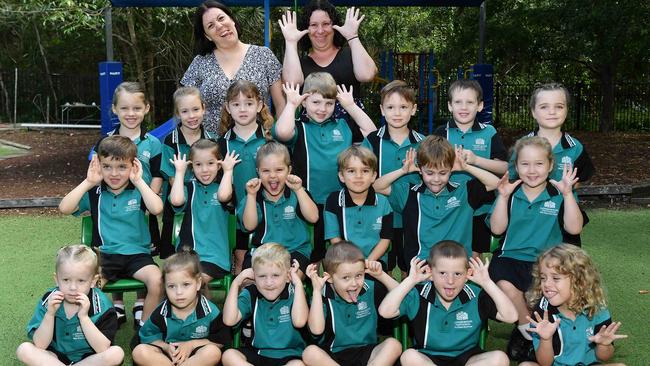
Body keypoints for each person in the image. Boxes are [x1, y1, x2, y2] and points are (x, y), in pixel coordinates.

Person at [487, 136, 586, 362]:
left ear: (550, 166)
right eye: (525, 164)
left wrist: (569, 194)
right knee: (504, 283)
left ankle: (534, 339)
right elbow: (496, 228)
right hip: (509, 257)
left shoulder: (559, 193)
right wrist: (501, 198)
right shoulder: (510, 192)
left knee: (543, 293)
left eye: (539, 164)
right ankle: (527, 331)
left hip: (546, 261)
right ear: (516, 166)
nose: (532, 170)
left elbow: (575, 227)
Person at [59, 135, 164, 328]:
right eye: (107, 166)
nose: (114, 173)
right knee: (84, 284)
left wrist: (139, 181)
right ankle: (85, 327)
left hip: (137, 256)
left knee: (157, 280)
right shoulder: (95, 191)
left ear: (133, 166)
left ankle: (146, 327)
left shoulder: (139, 190)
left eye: (122, 167)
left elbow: (157, 209)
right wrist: (88, 182)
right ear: (99, 165)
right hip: (104, 256)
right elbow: (64, 208)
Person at [274, 72, 376, 263]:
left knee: (339, 252)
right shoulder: (299, 127)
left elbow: (371, 134)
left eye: (329, 103)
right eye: (316, 102)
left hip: (340, 200)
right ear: (304, 102)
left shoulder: (343, 125)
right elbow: (282, 132)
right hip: (307, 199)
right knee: (313, 252)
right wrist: (291, 105)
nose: (323, 109)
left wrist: (350, 106)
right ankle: (313, 286)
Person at [378, 240, 517, 366]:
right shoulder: (419, 295)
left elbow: (511, 316)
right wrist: (410, 280)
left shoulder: (475, 295)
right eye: (443, 273)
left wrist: (487, 283)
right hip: (428, 357)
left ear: (468, 274)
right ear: (430, 273)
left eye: (457, 274)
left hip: (467, 358)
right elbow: (385, 311)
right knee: (409, 356)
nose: (450, 281)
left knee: (500, 358)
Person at [94, 81, 163, 328]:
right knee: (114, 247)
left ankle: (141, 303)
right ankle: (117, 303)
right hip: (114, 208)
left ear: (146, 109)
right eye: (124, 108)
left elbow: (157, 173)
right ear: (114, 109)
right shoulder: (104, 142)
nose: (130, 114)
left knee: (141, 253)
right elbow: (94, 174)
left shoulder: (153, 143)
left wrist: (149, 198)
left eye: (136, 108)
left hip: (141, 207)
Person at [373, 135, 499, 266]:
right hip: (422, 271)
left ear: (451, 170)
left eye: (443, 173)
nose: (436, 179)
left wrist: (466, 167)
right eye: (430, 173)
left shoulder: (464, 191)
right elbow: (376, 187)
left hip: (457, 270)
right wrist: (403, 171)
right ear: (420, 169)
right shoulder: (409, 194)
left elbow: (496, 183)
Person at [181, 0, 284, 134]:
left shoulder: (263, 55)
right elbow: (184, 105)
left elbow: (281, 104)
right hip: (212, 149)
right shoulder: (200, 63)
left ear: (232, 20)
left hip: (259, 146)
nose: (219, 26)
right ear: (207, 36)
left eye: (221, 18)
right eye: (211, 25)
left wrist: (280, 140)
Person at [434, 79, 507, 258]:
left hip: (481, 206)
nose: (464, 107)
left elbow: (504, 167)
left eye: (470, 102)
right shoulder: (441, 133)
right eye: (458, 102)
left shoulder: (489, 132)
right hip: (447, 203)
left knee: (474, 255)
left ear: (480, 106)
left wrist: (476, 160)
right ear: (450, 106)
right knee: (446, 253)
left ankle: (475, 286)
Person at [16, 245, 124, 366]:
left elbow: (102, 348)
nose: (73, 287)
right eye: (66, 280)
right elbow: (40, 345)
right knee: (24, 349)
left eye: (81, 281)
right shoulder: (49, 301)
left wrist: (84, 317)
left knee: (116, 353)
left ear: (93, 281)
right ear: (56, 279)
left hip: (90, 358)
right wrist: (50, 314)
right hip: (54, 357)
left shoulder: (102, 306)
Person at [519, 244, 627, 366]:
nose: (546, 284)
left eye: (555, 278)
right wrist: (546, 339)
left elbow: (604, 358)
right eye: (543, 278)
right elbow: (545, 363)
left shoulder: (596, 308)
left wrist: (603, 344)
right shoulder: (542, 312)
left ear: (579, 281)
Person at [302, 242, 402, 366]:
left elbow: (405, 300)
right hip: (333, 357)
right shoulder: (321, 296)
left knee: (393, 345)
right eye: (346, 278)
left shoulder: (370, 289)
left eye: (359, 275)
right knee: (309, 353)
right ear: (330, 278)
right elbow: (316, 330)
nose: (354, 283)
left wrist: (382, 276)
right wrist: (316, 291)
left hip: (368, 353)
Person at [362, 80, 425, 273]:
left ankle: (409, 303)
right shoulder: (372, 141)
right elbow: (364, 179)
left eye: (403, 107)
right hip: (380, 216)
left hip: (414, 217)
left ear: (413, 109)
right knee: (382, 268)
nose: (397, 113)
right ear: (382, 110)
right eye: (391, 107)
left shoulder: (423, 144)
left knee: (410, 268)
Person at [279, 1, 377, 119]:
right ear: (306, 28)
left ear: (334, 26)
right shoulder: (300, 63)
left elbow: (367, 75)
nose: (320, 30)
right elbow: (291, 84)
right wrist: (290, 42)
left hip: (351, 128)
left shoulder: (351, 53)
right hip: (313, 131)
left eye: (326, 24)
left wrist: (352, 37)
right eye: (314, 25)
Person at [132, 250, 230, 366]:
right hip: (167, 357)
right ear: (165, 286)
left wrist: (191, 344)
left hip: (196, 357)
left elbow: (220, 341)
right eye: (172, 286)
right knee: (139, 352)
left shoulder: (211, 311)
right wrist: (165, 347)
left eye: (186, 284)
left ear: (198, 283)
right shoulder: (161, 312)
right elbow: (146, 337)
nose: (178, 292)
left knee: (212, 352)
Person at [217, 80, 275, 274]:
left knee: (267, 260)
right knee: (242, 262)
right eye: (236, 104)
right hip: (236, 213)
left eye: (249, 104)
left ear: (259, 105)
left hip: (268, 211)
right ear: (228, 108)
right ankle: (239, 300)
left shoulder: (269, 139)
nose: (243, 109)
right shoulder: (221, 145)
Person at [237, 141, 319, 275]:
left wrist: (299, 190)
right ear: (258, 172)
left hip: (294, 251)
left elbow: (313, 217)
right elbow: (249, 226)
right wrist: (251, 196)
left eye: (279, 170)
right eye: (266, 171)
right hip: (262, 252)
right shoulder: (253, 196)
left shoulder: (298, 193)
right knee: (246, 278)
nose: (273, 176)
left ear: (289, 170)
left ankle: (291, 294)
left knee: (292, 276)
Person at [222, 243, 309, 366]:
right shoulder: (251, 293)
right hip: (257, 353)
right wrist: (236, 283)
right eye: (262, 276)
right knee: (229, 355)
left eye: (275, 275)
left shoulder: (295, 292)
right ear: (253, 276)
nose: (269, 282)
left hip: (289, 355)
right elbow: (229, 320)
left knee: (298, 365)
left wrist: (298, 284)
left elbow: (299, 321)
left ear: (288, 276)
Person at [169, 139, 240, 282]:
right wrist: (180, 173)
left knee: (192, 281)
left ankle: (198, 303)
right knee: (172, 281)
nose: (205, 170)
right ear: (192, 166)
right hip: (186, 255)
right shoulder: (189, 188)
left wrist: (228, 171)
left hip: (214, 258)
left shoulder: (224, 188)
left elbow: (224, 196)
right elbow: (176, 200)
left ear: (219, 164)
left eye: (211, 163)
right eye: (198, 165)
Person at [159, 86, 216, 260]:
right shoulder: (171, 141)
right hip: (177, 202)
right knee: (173, 257)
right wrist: (184, 196)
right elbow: (171, 177)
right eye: (185, 111)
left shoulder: (212, 140)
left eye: (196, 109)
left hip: (204, 203)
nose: (191, 116)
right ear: (177, 114)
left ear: (204, 109)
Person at [508, 82, 594, 185]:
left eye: (559, 107)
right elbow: (512, 179)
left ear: (566, 111)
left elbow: (578, 182)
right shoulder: (522, 145)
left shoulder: (575, 148)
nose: (552, 112)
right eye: (544, 107)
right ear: (533, 112)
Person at [324, 146, 393, 266]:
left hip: (375, 260)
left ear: (373, 176)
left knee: (375, 285)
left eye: (365, 171)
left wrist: (368, 262)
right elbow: (335, 239)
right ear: (341, 176)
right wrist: (353, 264)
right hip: (343, 259)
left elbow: (385, 239)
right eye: (351, 171)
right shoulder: (333, 201)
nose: (358, 176)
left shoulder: (383, 202)